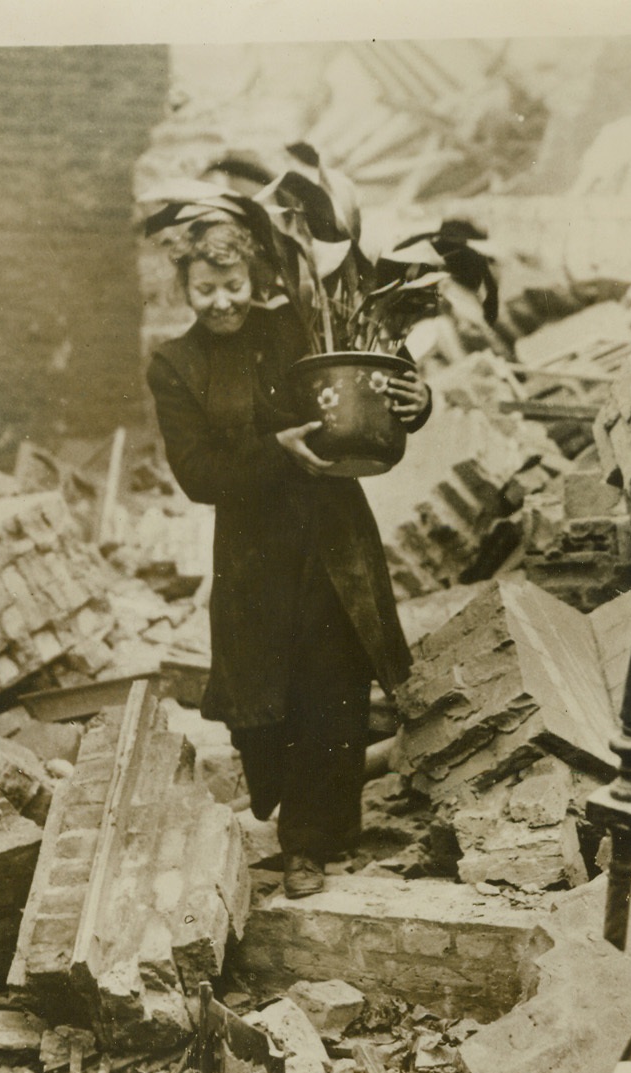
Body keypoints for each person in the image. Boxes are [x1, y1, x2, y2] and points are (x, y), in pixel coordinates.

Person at [146, 220, 431, 898]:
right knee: (262, 710)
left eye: (234, 285)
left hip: (333, 537)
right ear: (184, 287)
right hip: (252, 556)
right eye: (206, 288)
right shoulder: (174, 364)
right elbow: (197, 473)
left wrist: (417, 402)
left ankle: (313, 843)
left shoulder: (291, 327)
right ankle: (301, 819)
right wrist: (281, 452)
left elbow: (360, 394)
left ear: (255, 280)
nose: (222, 301)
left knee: (331, 692)